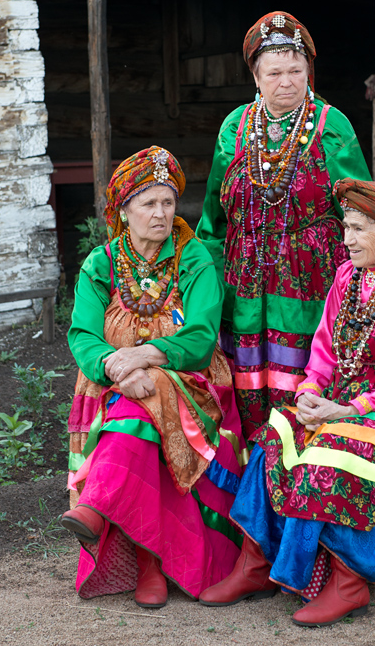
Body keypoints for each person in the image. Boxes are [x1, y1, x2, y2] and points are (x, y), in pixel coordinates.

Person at [199, 179, 375, 627]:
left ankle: (349, 581)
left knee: (339, 451)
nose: (347, 239)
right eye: (346, 227)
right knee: (274, 436)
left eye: (359, 229)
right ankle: (257, 563)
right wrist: (308, 393)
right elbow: (323, 350)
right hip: (346, 394)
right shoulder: (347, 275)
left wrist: (349, 410)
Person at [61, 146, 246, 608]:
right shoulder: (101, 264)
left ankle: (101, 510)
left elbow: (201, 337)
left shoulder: (194, 258)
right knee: (138, 407)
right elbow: (83, 335)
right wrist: (116, 369)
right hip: (115, 386)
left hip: (193, 384)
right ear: (124, 211)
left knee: (148, 397)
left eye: (168, 202)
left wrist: (143, 356)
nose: (161, 214)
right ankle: (148, 563)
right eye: (149, 204)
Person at [196, 11, 371, 441]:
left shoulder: (333, 127)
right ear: (256, 76)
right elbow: (213, 217)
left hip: (312, 283)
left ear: (309, 71)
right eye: (274, 72)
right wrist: (204, 282)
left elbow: (364, 210)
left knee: (305, 386)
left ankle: (302, 474)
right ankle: (253, 478)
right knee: (247, 385)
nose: (287, 81)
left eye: (296, 70)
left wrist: (366, 282)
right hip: (246, 284)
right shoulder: (235, 128)